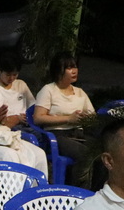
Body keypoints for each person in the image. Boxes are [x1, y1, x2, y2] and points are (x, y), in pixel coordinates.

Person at [0, 57, 49, 174]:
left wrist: (9, 119)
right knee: (9, 155)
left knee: (39, 154)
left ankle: (37, 186)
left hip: (4, 135)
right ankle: (17, 186)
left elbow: (4, 121)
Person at [33, 52, 96, 186]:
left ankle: (97, 191)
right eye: (69, 68)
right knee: (84, 155)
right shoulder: (49, 90)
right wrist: (68, 119)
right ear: (58, 71)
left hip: (78, 133)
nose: (74, 71)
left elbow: (93, 116)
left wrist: (85, 118)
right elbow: (38, 118)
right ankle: (76, 192)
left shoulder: (80, 92)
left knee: (101, 151)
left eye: (75, 67)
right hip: (57, 135)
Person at [0, 52, 36, 117]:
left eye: (15, 74)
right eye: (8, 75)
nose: (11, 78)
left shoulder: (21, 84)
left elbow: (32, 104)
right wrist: (16, 118)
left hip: (25, 120)